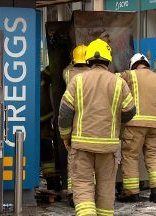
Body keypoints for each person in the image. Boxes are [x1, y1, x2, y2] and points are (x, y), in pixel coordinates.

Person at [58, 38, 136, 216]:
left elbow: (64, 113)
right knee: (106, 189)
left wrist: (66, 136)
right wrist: (116, 119)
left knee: (83, 186)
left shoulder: (77, 81)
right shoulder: (118, 83)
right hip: (107, 147)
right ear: (108, 60)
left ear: (88, 59)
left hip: (81, 146)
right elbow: (130, 111)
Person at [117, 53, 156, 203]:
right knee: (153, 156)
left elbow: (110, 80)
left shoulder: (130, 75)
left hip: (135, 123)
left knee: (130, 156)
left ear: (133, 65)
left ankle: (131, 193)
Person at [62, 44, 90, 207]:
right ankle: (89, 192)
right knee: (91, 161)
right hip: (93, 122)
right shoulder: (95, 75)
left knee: (74, 159)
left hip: (75, 122)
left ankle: (73, 193)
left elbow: (66, 69)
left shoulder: (68, 73)